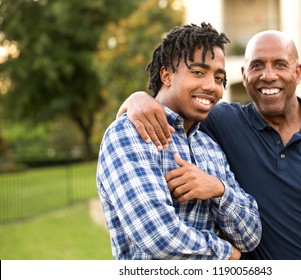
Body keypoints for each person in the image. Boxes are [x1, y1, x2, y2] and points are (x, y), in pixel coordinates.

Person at [117, 30, 301, 259]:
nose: (268, 75)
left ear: (298, 72)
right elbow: (177, 103)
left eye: (280, 65)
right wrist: (138, 98)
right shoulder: (222, 122)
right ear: (244, 74)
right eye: (257, 65)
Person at [96, 22, 261, 260]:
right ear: (166, 75)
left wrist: (219, 190)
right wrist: (228, 255)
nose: (210, 86)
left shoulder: (210, 147)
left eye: (218, 78)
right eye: (198, 72)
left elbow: (251, 236)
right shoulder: (129, 135)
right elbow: (160, 237)